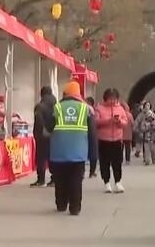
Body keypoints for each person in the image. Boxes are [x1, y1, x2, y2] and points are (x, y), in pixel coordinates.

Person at [47, 81, 99, 215]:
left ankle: (61, 204)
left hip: (58, 152)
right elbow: (92, 134)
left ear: (65, 94)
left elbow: (48, 128)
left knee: (60, 179)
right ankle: (75, 207)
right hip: (79, 153)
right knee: (76, 180)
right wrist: (93, 156)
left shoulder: (57, 108)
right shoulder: (86, 109)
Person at [94, 88, 129, 193]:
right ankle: (106, 182)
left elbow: (125, 121)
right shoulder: (99, 108)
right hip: (104, 140)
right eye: (110, 98)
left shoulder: (120, 108)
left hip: (117, 139)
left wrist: (119, 122)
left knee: (117, 162)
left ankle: (118, 182)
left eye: (114, 99)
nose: (112, 101)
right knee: (104, 162)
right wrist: (108, 121)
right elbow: (96, 122)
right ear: (106, 98)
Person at [32, 86, 56, 187]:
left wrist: (43, 130)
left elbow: (39, 120)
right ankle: (54, 179)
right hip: (54, 134)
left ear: (41, 94)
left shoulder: (39, 106)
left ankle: (41, 180)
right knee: (52, 157)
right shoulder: (56, 106)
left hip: (42, 135)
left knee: (41, 158)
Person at [121, 99, 135, 164]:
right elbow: (132, 123)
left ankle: (120, 159)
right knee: (127, 147)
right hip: (128, 133)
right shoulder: (129, 115)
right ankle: (127, 160)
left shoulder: (119, 114)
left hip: (120, 134)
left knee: (120, 148)